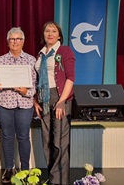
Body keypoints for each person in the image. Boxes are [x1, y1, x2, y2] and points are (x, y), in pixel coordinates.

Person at [0, 27, 37, 184]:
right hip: (4, 104)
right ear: (7, 42)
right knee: (7, 137)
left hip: (24, 103)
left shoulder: (31, 60)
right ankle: (9, 169)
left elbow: (35, 86)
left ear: (23, 41)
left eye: (18, 39)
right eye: (12, 39)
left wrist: (25, 92)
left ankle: (24, 169)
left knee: (23, 137)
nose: (15, 42)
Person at [34, 21, 75, 185]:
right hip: (44, 98)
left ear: (59, 35)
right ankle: (53, 178)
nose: (50, 34)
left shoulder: (64, 51)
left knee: (59, 142)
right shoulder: (40, 54)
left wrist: (62, 101)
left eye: (53, 31)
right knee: (47, 142)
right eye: (47, 31)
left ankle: (60, 181)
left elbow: (71, 78)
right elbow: (37, 79)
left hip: (60, 96)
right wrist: (35, 100)